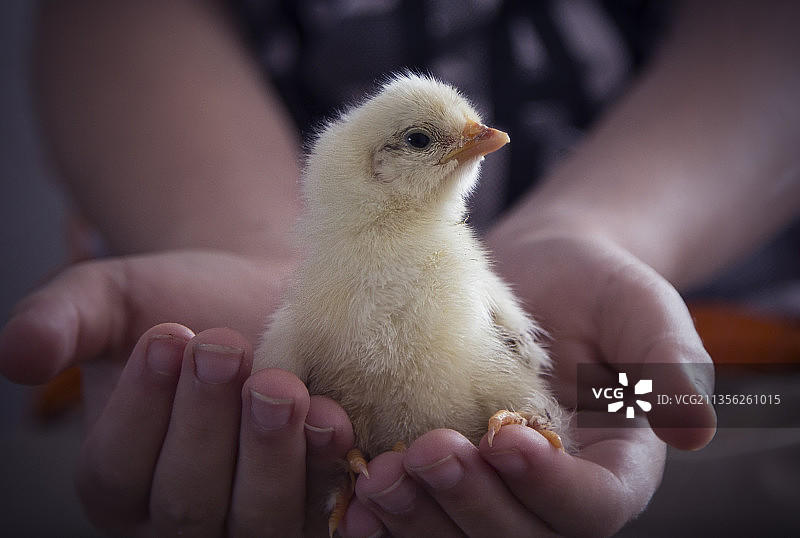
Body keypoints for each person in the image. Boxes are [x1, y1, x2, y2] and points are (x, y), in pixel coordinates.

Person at [1, 0, 798, 536]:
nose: (477, 137)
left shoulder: (464, 273)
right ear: (374, 166)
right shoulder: (317, 294)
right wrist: (230, 239)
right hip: (212, 452)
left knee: (717, 425)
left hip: (703, 367)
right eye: (425, 140)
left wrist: (601, 229)